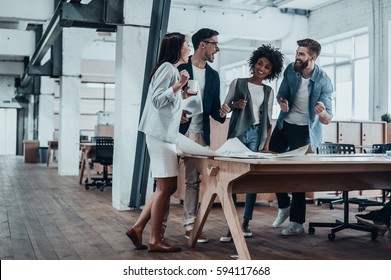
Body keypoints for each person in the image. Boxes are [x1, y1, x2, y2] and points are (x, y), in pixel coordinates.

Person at [125, 32, 190, 252]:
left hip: (163, 134)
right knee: (166, 188)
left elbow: (163, 103)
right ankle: (154, 239)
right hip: (160, 136)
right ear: (177, 48)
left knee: (166, 187)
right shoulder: (168, 69)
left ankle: (138, 227)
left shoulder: (168, 69)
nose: (189, 49)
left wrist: (178, 111)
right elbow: (157, 100)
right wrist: (179, 85)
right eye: (187, 45)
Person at [219, 44, 284, 243]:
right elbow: (224, 108)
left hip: (258, 135)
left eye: (266, 67)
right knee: (233, 180)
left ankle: (245, 222)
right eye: (259, 64)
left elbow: (269, 119)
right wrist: (234, 106)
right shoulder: (238, 83)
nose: (261, 68)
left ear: (271, 72)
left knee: (250, 182)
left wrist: (265, 146)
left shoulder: (268, 90)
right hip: (239, 133)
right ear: (253, 63)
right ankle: (232, 224)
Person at [269, 38, 333, 235]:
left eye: (301, 54)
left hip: (304, 130)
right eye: (297, 53)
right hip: (284, 124)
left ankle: (297, 223)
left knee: (298, 174)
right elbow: (282, 94)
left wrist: (321, 112)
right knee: (270, 165)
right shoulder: (291, 69)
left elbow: (327, 118)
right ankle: (283, 205)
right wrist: (283, 103)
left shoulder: (323, 81)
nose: (297, 57)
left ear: (312, 58)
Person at [177, 28, 230, 242]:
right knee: (166, 181)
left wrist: (226, 110)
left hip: (199, 134)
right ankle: (158, 229)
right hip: (177, 131)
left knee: (193, 181)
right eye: (214, 44)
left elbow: (214, 110)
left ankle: (190, 226)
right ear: (202, 44)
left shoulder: (214, 75)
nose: (217, 49)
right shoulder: (180, 67)